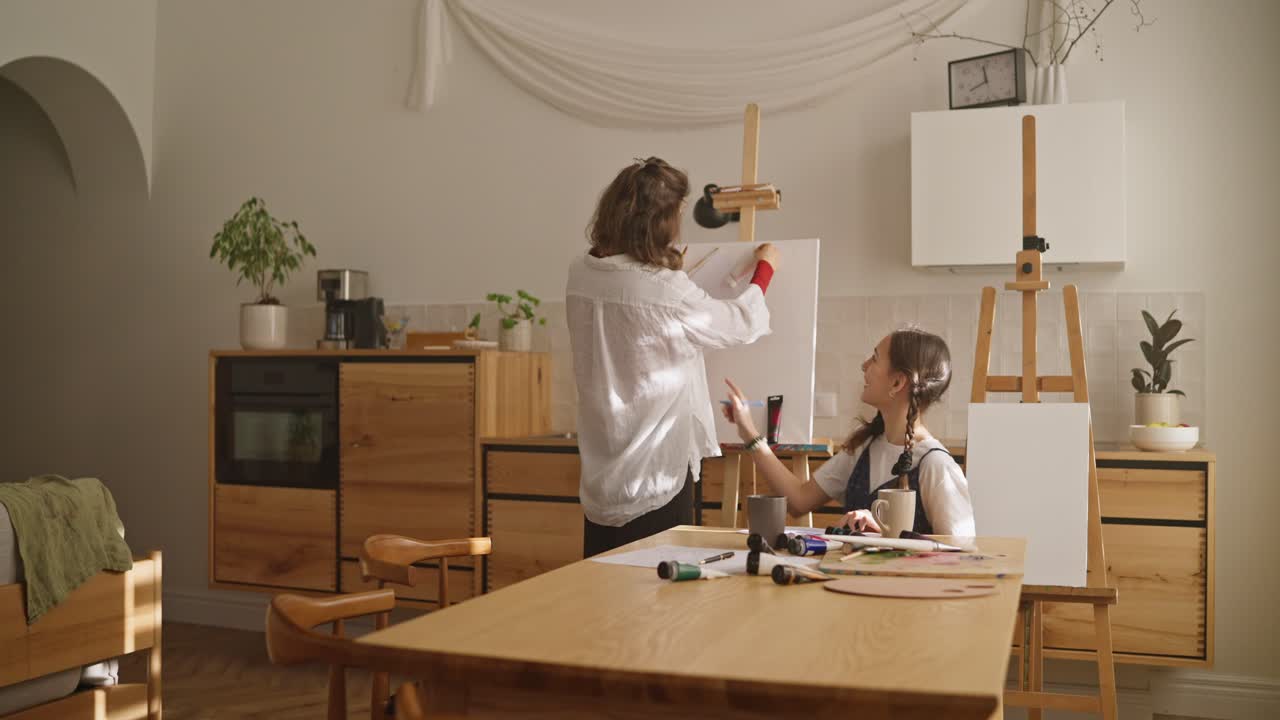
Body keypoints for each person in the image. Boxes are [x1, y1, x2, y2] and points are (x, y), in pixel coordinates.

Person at [568, 156, 779, 557]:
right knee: (659, 590)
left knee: (600, 589)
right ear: (658, 223)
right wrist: (765, 268)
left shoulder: (581, 273)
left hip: (601, 476)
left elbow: (637, 314)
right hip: (657, 476)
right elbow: (741, 322)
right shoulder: (665, 289)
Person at [723, 326, 975, 535]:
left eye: (875, 358)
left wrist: (888, 535)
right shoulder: (864, 448)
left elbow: (961, 552)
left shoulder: (936, 465)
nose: (864, 365)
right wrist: (748, 432)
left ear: (897, 382)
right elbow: (799, 500)